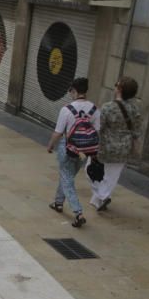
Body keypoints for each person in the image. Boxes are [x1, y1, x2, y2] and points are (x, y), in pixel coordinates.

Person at [46, 77, 100, 228]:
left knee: (67, 179)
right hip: (85, 152)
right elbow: (98, 132)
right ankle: (58, 203)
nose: (70, 93)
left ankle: (78, 213)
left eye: (70, 91)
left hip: (68, 148)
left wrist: (50, 145)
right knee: (67, 176)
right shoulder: (95, 109)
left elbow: (58, 132)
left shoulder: (67, 109)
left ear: (74, 91)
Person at [87, 76, 142, 211]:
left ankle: (101, 196)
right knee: (112, 176)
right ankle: (102, 197)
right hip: (124, 147)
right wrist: (136, 147)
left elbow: (100, 128)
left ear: (120, 89)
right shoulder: (135, 109)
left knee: (90, 170)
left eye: (116, 84)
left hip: (106, 146)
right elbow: (136, 131)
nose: (114, 86)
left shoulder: (108, 107)